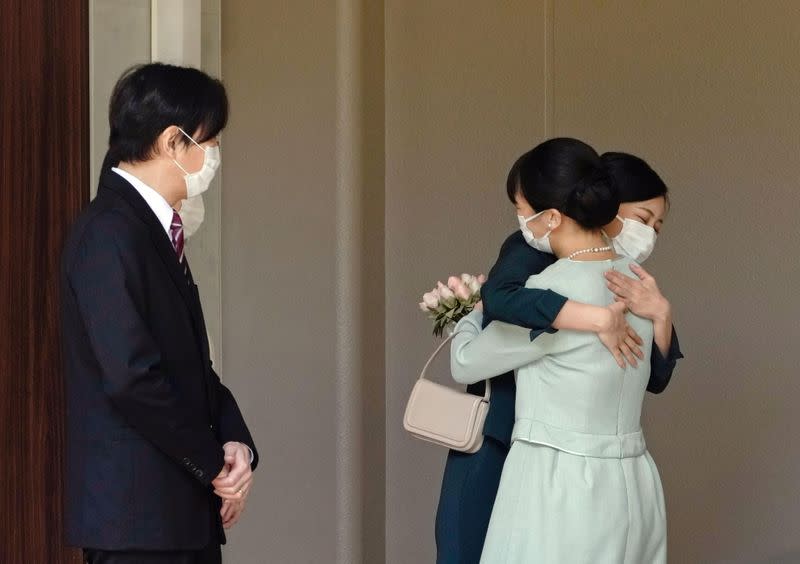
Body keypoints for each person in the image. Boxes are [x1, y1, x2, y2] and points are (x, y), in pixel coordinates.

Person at [434, 144, 682, 563]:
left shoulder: (549, 294)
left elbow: (465, 361)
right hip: (635, 483)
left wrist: (471, 316)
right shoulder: (641, 289)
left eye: (522, 207)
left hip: (557, 484)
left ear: (551, 216)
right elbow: (652, 375)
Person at [61, 63, 258, 564]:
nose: (214, 157)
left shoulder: (152, 229)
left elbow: (191, 364)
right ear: (175, 142)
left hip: (174, 518)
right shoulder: (109, 232)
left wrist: (235, 441)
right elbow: (133, 378)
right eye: (209, 143)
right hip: (138, 523)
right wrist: (213, 465)